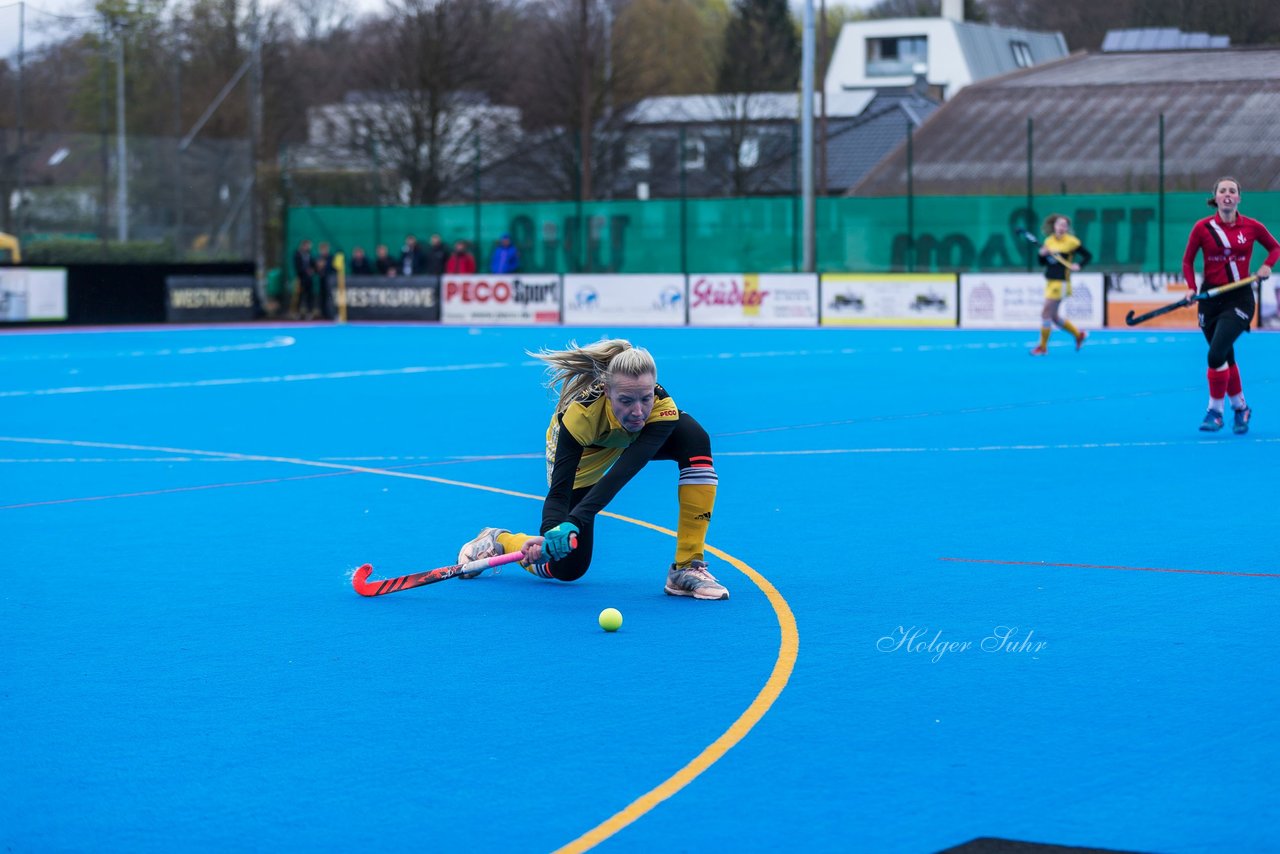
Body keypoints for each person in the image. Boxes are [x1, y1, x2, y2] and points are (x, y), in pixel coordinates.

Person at [454, 339, 728, 600]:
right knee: (567, 569)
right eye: (626, 400)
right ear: (607, 392)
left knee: (695, 439)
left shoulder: (660, 408)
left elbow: (624, 471)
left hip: (631, 444)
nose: (638, 411)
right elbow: (559, 492)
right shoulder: (579, 417)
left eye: (645, 399)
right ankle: (500, 539)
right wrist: (551, 532)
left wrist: (574, 522)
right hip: (588, 455)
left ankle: (686, 566)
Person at [1182, 176, 1278, 433]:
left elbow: (1275, 248)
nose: (1227, 194)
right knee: (1224, 354)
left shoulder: (1252, 227)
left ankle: (1215, 411)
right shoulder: (1202, 228)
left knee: (1215, 354)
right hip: (1209, 299)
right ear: (1215, 197)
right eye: (1222, 190)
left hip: (1239, 299)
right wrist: (1191, 288)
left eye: (1232, 191)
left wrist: (1267, 265)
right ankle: (1241, 407)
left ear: (1238, 198)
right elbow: (1187, 261)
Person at [1030, 214, 1091, 355]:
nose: (1061, 227)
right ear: (1054, 226)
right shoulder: (1048, 241)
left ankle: (1043, 347)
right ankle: (1079, 335)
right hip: (1050, 282)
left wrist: (1079, 265)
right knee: (1054, 317)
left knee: (1045, 313)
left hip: (1062, 282)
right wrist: (1041, 254)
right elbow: (1043, 263)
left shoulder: (1072, 242)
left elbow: (1088, 255)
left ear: (1067, 228)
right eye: (1059, 225)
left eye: (1064, 225)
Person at [291, 238, 316, 320]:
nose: (308, 247)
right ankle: (297, 313)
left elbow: (313, 264)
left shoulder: (309, 254)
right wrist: (306, 271)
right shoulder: (297, 254)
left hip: (309, 279)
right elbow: (298, 266)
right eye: (307, 245)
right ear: (303, 245)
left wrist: (313, 270)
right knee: (299, 296)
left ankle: (309, 312)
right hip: (301, 279)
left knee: (309, 296)